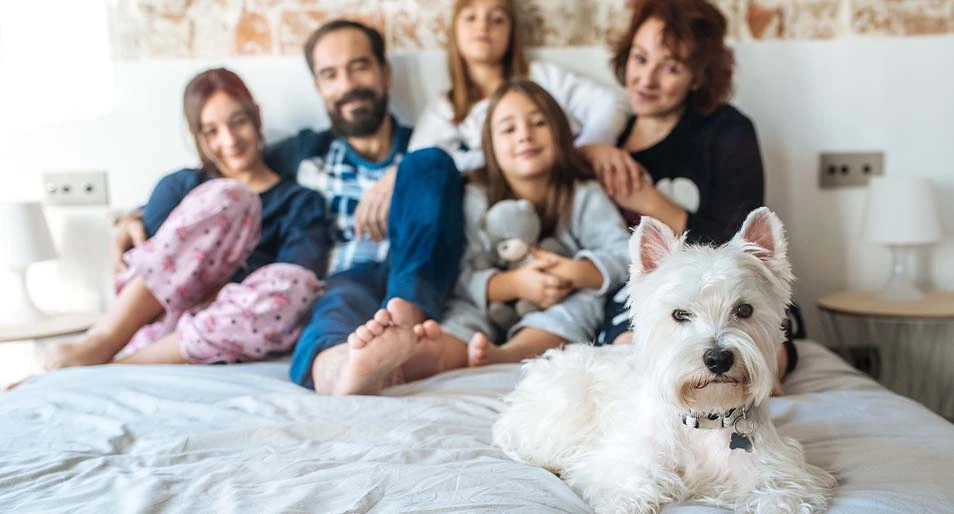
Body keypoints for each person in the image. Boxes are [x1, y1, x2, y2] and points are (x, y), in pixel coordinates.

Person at [44, 68, 328, 369]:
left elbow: (296, 281)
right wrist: (127, 223)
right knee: (233, 196)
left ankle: (119, 367)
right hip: (162, 316)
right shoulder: (180, 186)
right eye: (212, 132)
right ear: (197, 136)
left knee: (298, 284)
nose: (229, 140)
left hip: (225, 322)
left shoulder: (300, 202)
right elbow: (147, 264)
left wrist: (223, 291)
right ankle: (101, 341)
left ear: (255, 117)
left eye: (238, 122)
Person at [588, 0, 798, 392]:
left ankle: (751, 395)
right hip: (643, 294)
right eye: (640, 58)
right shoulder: (606, 133)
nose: (646, 79)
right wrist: (590, 149)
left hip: (732, 286)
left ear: (697, 77)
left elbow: (740, 243)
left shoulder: (727, 131)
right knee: (632, 348)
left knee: (762, 341)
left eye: (670, 67)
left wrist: (651, 203)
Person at [390, 79, 629, 366]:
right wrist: (514, 284)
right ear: (490, 147)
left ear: (561, 132)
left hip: (559, 297)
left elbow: (623, 252)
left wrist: (575, 272)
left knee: (584, 303)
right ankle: (422, 358)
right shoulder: (476, 197)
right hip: (488, 303)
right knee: (460, 314)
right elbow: (460, 272)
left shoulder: (582, 193)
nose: (525, 135)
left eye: (539, 123)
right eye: (508, 129)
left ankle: (508, 354)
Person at [408, 0, 636, 180]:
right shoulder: (446, 107)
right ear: (454, 30)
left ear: (512, 32)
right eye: (470, 17)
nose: (482, 26)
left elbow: (612, 103)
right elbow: (419, 164)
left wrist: (587, 147)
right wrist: (496, 160)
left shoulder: (542, 77)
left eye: (497, 19)